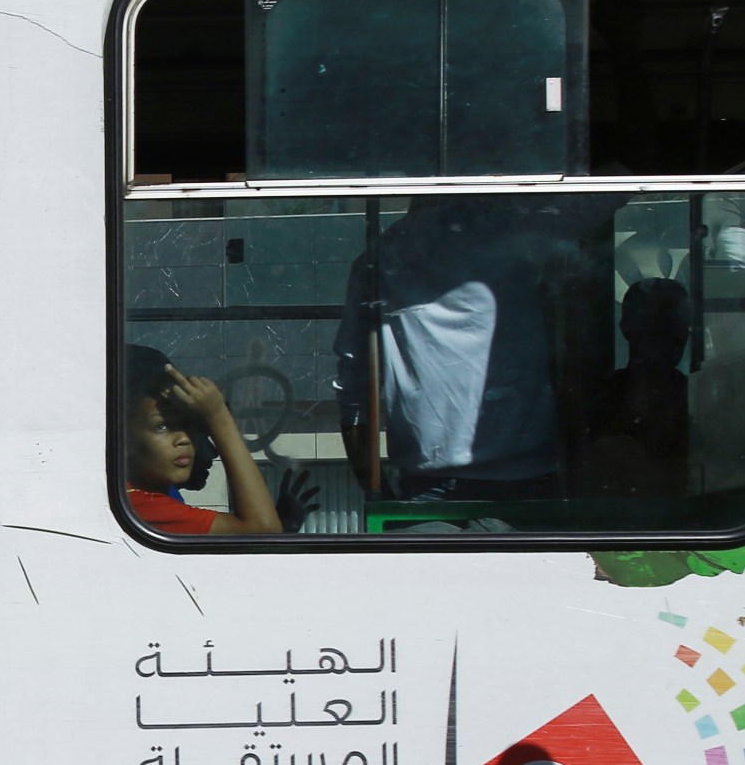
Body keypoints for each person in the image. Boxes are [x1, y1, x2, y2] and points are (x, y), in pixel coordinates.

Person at [331, 197, 564, 503]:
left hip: (430, 476)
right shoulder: (523, 242)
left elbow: (353, 387)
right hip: (526, 468)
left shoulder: (381, 260)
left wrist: (376, 491)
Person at [124, 357, 282, 535]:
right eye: (162, 426)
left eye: (189, 424)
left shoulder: (159, 497)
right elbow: (264, 530)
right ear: (123, 443)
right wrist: (218, 418)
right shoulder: (135, 506)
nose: (184, 438)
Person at [584, 277, 692, 498]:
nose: (675, 336)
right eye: (658, 324)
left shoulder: (697, 397)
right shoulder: (601, 399)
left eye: (677, 323)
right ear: (627, 327)